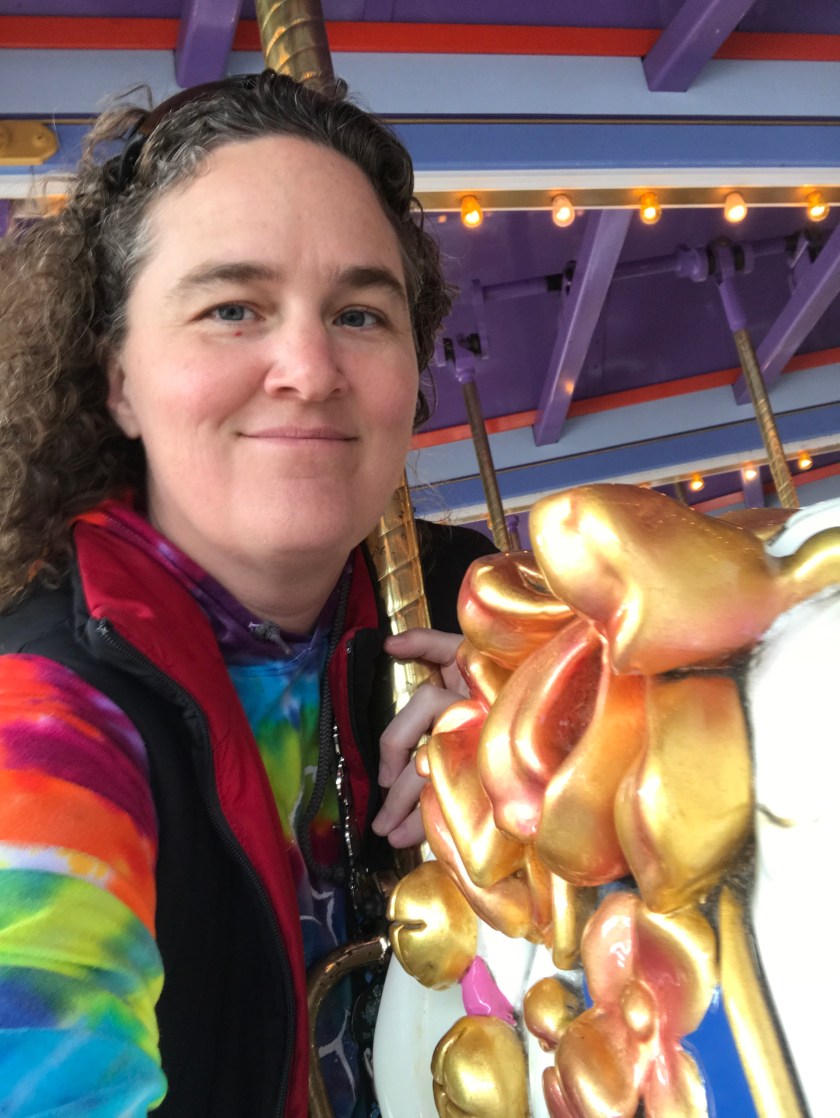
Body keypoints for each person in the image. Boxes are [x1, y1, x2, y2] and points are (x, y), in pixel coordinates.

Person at [0, 71, 496, 1117]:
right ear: (118, 380)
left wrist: (554, 754)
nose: (309, 368)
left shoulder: (470, 602)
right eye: (232, 308)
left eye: (360, 313)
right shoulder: (45, 712)